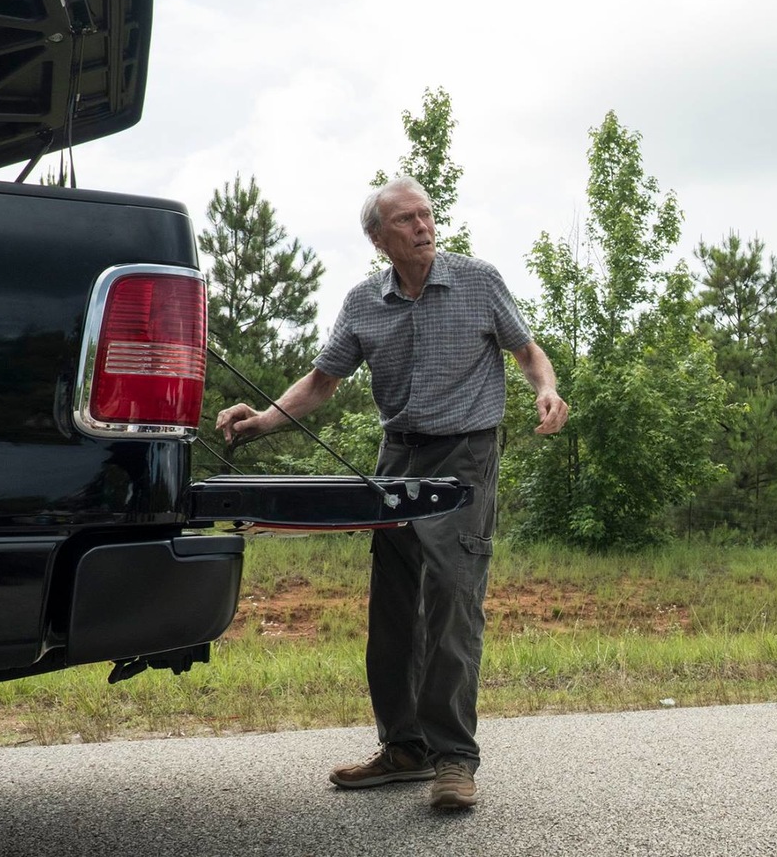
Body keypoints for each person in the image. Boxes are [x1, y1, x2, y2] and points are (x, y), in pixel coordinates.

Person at [215, 176, 569, 810]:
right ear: (378, 238)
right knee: (394, 603)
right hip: (397, 455)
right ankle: (403, 747)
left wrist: (546, 388)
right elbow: (322, 382)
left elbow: (528, 351)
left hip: (465, 455)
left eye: (426, 215)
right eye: (405, 220)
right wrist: (263, 421)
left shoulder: (477, 281)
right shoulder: (362, 302)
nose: (423, 226)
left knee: (453, 603)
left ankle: (454, 758)